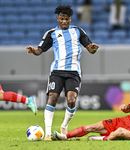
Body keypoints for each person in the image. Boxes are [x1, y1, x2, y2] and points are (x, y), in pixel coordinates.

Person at [26, 5, 99, 141]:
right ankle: (47, 134)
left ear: (70, 18)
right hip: (57, 71)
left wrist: (93, 49)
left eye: (67, 19)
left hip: (73, 72)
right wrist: (33, 50)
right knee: (52, 97)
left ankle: (64, 126)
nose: (64, 21)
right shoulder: (51, 33)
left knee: (71, 101)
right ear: (57, 19)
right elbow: (40, 50)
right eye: (62, 19)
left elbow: (89, 48)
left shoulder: (78, 31)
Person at [53, 81, 130, 141]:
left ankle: (101, 140)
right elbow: (128, 108)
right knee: (94, 126)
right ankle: (64, 136)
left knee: (120, 132)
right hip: (122, 121)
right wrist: (124, 108)